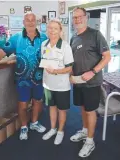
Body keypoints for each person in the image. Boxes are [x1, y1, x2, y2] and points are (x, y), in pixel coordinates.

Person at [0, 12, 47, 140]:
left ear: (36, 22)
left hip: (39, 78)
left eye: (33, 20)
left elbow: (52, 53)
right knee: (22, 105)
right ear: (24, 22)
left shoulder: (44, 38)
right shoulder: (16, 38)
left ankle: (34, 123)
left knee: (37, 102)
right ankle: (23, 127)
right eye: (28, 20)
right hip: (22, 80)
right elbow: (2, 51)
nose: (30, 22)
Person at [70, 7, 111, 157]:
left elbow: (107, 57)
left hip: (92, 82)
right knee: (82, 108)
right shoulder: (73, 37)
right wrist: (72, 75)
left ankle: (90, 141)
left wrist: (92, 71)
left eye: (80, 16)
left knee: (90, 110)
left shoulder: (95, 34)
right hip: (78, 82)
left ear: (86, 17)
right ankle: (85, 130)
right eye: (75, 17)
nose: (77, 19)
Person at [41, 19, 74, 145]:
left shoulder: (65, 46)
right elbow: (44, 60)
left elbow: (69, 68)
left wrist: (55, 71)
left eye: (55, 28)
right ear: (47, 29)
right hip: (48, 84)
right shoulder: (44, 44)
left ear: (60, 31)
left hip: (61, 85)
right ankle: (52, 129)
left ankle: (60, 131)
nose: (52, 31)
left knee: (62, 110)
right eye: (50, 28)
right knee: (52, 107)